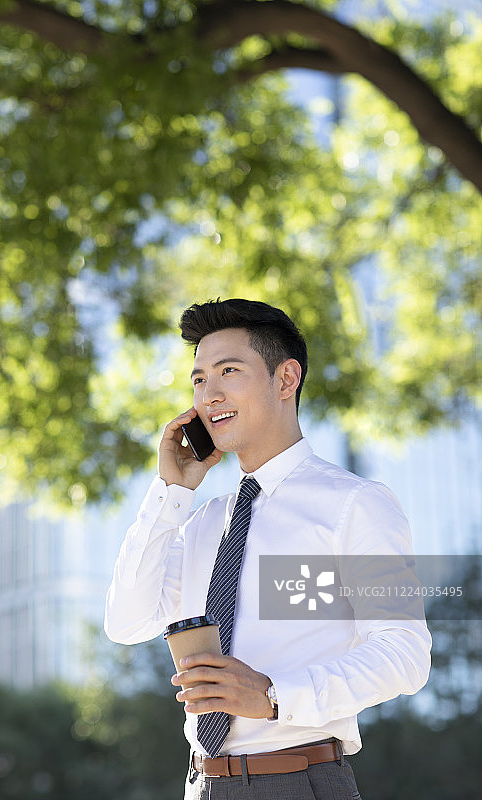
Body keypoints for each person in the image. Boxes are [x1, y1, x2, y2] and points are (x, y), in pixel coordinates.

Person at [105, 298, 431, 799]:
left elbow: (404, 653)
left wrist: (274, 695)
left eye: (228, 371)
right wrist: (170, 492)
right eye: (198, 379)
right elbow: (127, 622)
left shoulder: (354, 504)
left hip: (298, 779)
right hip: (201, 784)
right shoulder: (201, 522)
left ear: (286, 379)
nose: (209, 394)